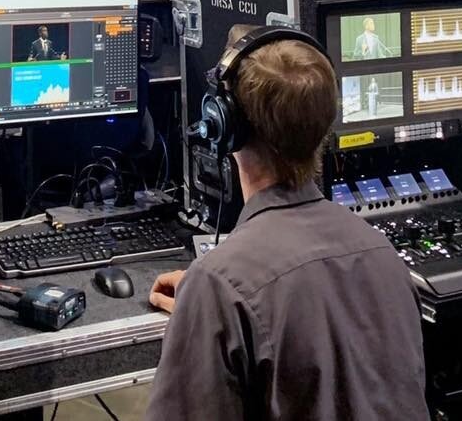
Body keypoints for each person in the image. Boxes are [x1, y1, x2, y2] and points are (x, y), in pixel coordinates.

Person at [144, 29, 428, 421]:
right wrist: (210, 317)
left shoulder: (219, 285)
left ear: (226, 127)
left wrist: (206, 322)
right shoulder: (383, 255)